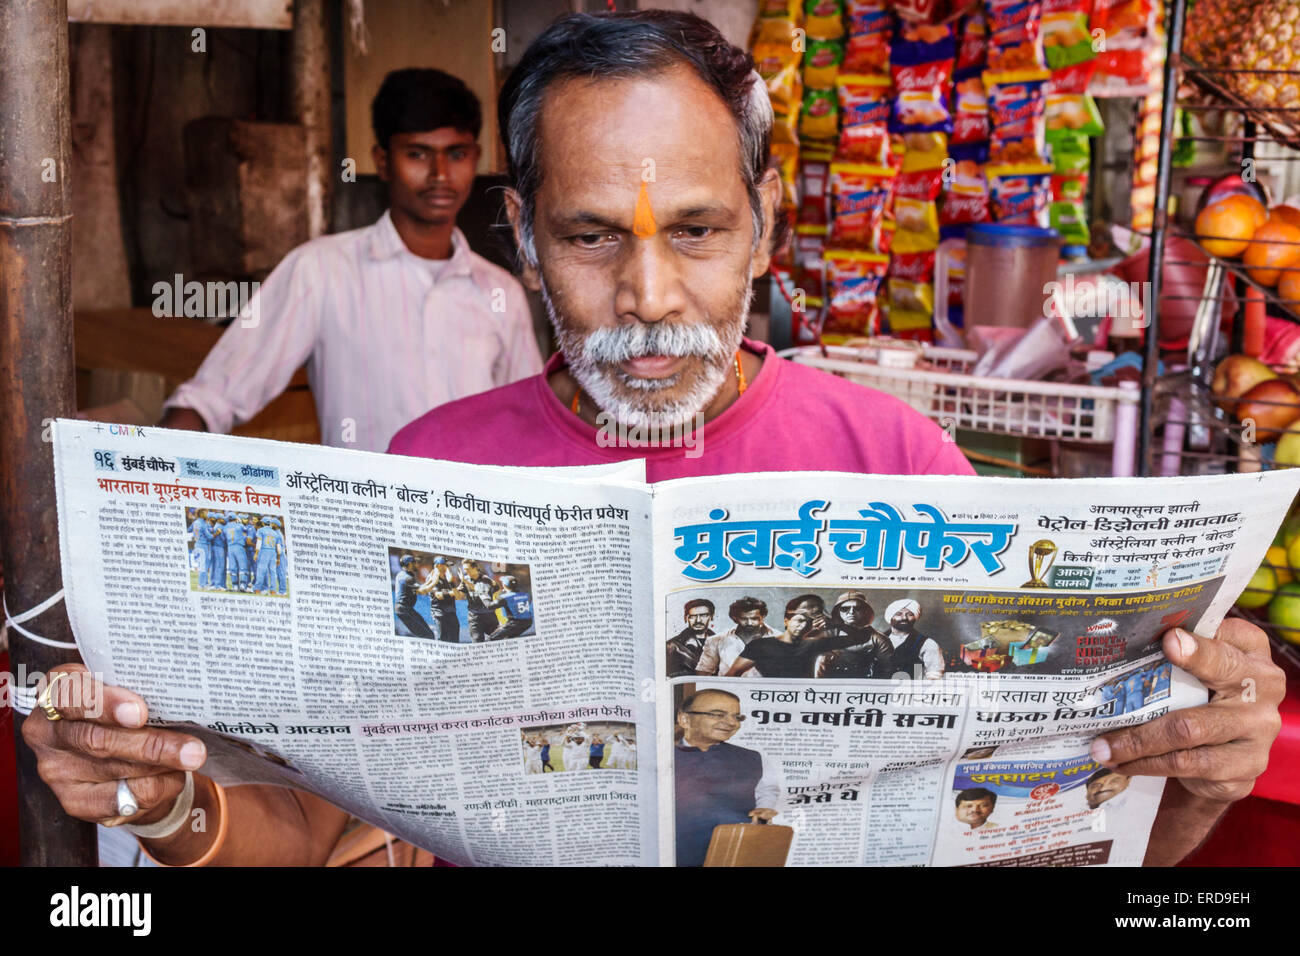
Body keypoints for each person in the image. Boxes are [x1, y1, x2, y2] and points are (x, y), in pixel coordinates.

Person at [25, 11, 1287, 869]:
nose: (648, 298)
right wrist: (167, 803)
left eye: (694, 231)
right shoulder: (432, 468)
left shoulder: (897, 460)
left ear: (764, 222)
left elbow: (1037, 830)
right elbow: (309, 828)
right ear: (523, 237)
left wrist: (1190, 785)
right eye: (590, 237)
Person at [159, 68, 542, 452]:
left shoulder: (501, 293)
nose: (440, 174)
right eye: (417, 154)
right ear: (382, 161)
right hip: (361, 511)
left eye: (456, 154)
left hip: (468, 509)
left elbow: (528, 426)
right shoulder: (321, 271)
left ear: (476, 158)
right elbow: (214, 395)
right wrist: (153, 462)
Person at [674, 689, 779, 867]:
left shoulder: (753, 758)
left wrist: (764, 809)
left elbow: (768, 791)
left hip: (734, 854)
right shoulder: (660, 756)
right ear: (685, 719)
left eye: (737, 717)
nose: (731, 723)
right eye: (718, 715)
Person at [726, 599, 835, 679]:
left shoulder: (823, 637)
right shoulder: (765, 644)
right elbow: (731, 674)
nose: (749, 623)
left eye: (815, 613)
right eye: (744, 618)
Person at [814, 591, 894, 678]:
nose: (851, 612)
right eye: (845, 608)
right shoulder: (826, 633)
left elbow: (887, 670)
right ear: (838, 611)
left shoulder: (879, 640)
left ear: (865, 611)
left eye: (858, 608)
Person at [695, 597, 774, 677]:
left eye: (754, 618)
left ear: (763, 616)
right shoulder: (716, 640)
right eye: (744, 619)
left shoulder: (779, 638)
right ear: (735, 618)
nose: (749, 623)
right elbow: (703, 673)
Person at [881, 599, 944, 680]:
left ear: (915, 617)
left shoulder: (928, 644)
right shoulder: (876, 640)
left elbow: (934, 675)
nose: (904, 618)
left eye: (910, 614)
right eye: (898, 614)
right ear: (890, 617)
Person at [665, 599, 715, 677]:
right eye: (693, 616)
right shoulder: (672, 646)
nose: (698, 620)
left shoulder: (722, 644)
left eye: (703, 615)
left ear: (711, 617)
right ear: (686, 618)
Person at [392, 555, 437, 640]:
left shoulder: (403, 574)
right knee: (428, 636)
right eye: (415, 562)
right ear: (409, 564)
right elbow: (422, 591)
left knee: (429, 634)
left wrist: (431, 580)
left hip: (406, 609)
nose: (417, 564)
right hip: (404, 610)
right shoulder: (407, 578)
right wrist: (435, 580)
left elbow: (420, 587)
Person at [457, 560, 499, 642]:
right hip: (474, 616)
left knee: (497, 640)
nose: (466, 571)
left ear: (475, 568)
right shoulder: (464, 579)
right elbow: (459, 597)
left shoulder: (485, 579)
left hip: (489, 615)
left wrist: (465, 581)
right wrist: (453, 585)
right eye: (464, 569)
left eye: (467, 569)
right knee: (477, 641)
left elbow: (479, 589)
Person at [485, 574, 534, 640]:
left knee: (491, 638)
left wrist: (484, 596)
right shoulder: (527, 595)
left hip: (514, 623)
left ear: (504, 585)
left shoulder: (505, 597)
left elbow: (489, 606)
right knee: (508, 637)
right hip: (528, 623)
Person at [223, 510, 251, 592]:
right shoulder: (239, 526)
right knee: (243, 567)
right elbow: (247, 529)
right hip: (239, 547)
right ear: (236, 518)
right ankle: (242, 585)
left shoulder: (225, 527)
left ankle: (235, 586)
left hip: (230, 548)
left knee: (233, 567)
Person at [189, 509, 212, 590]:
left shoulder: (195, 522)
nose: (207, 513)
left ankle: (204, 583)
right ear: (202, 513)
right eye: (206, 512)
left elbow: (189, 529)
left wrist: (196, 536)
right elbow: (209, 536)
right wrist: (216, 533)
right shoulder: (203, 523)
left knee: (202, 564)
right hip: (203, 545)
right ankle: (202, 584)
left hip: (197, 544)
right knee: (203, 565)